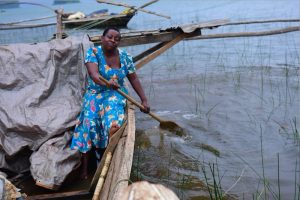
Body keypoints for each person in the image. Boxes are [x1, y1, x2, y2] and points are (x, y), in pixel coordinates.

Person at [70, 27, 150, 179]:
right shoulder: (93, 53)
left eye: (117, 39)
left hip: (115, 93)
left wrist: (144, 100)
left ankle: (107, 157)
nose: (113, 40)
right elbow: (94, 75)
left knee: (112, 123)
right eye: (110, 37)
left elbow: (133, 78)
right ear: (102, 38)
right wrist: (107, 84)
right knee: (89, 122)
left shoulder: (125, 57)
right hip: (95, 93)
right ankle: (85, 168)